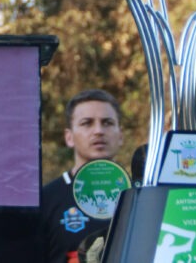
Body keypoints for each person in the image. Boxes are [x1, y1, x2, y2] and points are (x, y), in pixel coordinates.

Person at [40, 89, 124, 263]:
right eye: (87, 123)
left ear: (120, 135)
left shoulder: (139, 196)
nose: (98, 131)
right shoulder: (45, 200)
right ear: (69, 137)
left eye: (107, 123)